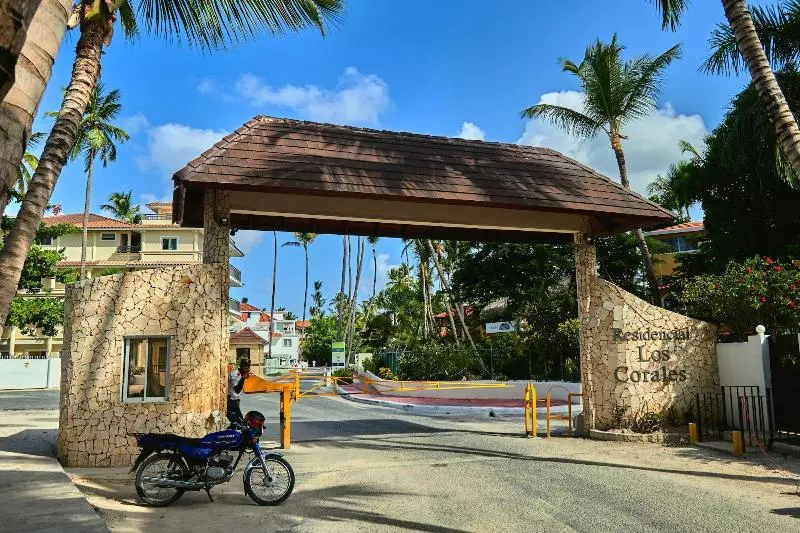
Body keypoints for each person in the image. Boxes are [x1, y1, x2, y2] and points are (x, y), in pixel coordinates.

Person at [227, 359, 250, 424]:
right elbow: (237, 390)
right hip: (231, 399)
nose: (246, 368)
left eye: (248, 366)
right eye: (244, 366)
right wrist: (243, 378)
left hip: (236, 399)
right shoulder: (234, 374)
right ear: (240, 365)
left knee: (237, 421)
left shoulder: (243, 374)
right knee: (239, 421)